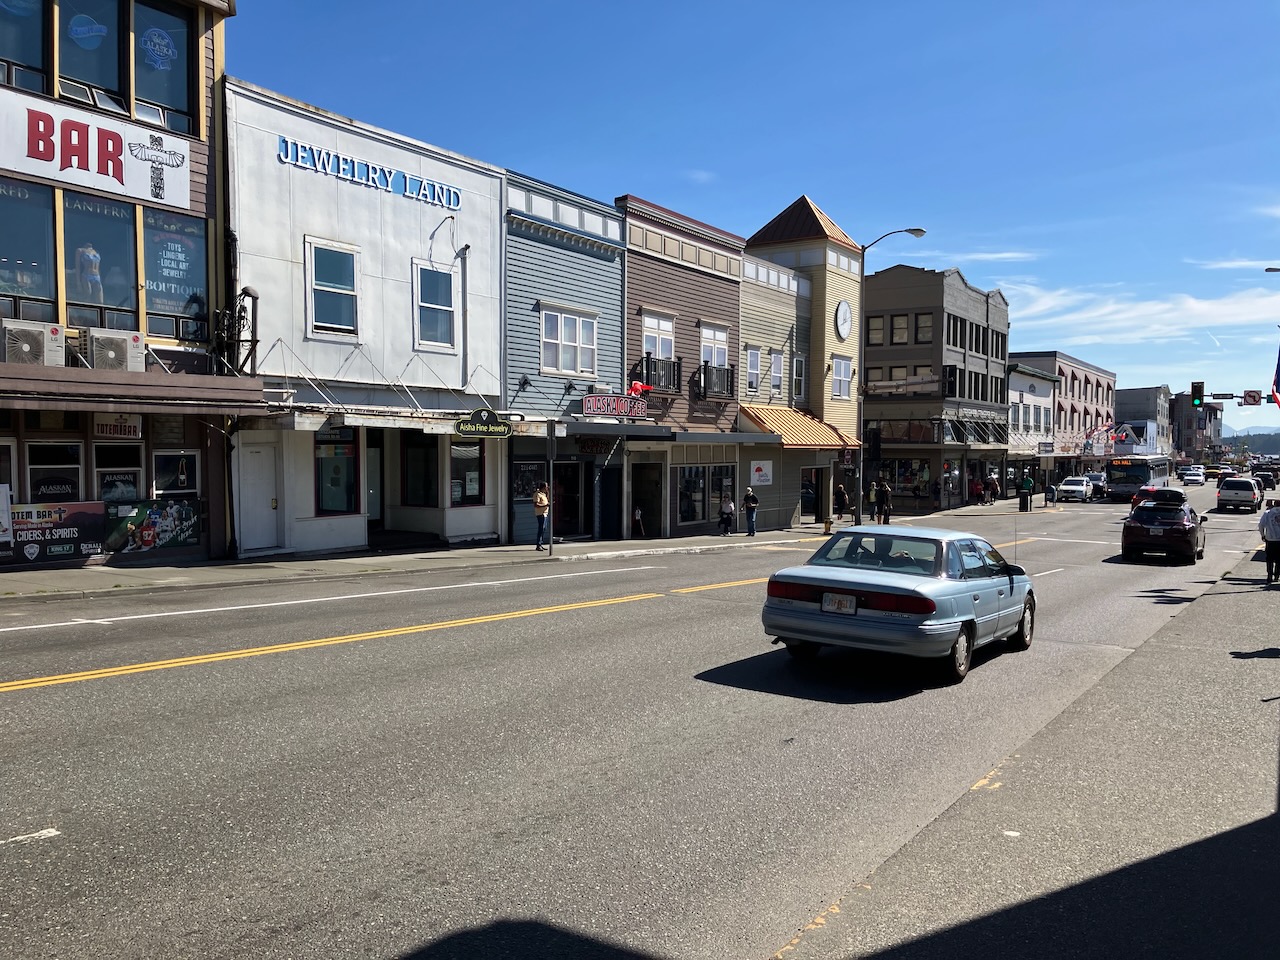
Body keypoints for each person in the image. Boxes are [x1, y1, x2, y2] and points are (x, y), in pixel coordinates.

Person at [1258, 498, 1280, 584]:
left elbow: (1261, 525)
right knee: (1279, 559)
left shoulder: (1268, 513)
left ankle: (1269, 575)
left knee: (1270, 559)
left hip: (1270, 539)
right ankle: (1277, 575)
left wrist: (1263, 535)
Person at [533, 481, 549, 551]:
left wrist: (548, 493)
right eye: (546, 487)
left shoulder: (543, 494)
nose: (547, 488)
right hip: (541, 514)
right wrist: (545, 505)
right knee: (541, 528)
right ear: (543, 487)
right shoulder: (537, 494)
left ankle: (541, 543)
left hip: (545, 513)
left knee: (544, 529)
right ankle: (538, 544)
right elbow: (536, 505)